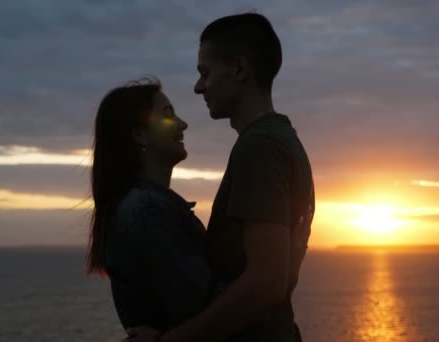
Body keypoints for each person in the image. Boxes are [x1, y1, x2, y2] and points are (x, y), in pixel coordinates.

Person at [128, 12, 315, 342]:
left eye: (205, 73)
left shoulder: (260, 148)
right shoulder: (279, 139)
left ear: (240, 70)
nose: (198, 87)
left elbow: (265, 283)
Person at [85, 79, 213, 332]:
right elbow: (201, 302)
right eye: (168, 115)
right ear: (139, 134)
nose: (183, 124)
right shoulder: (147, 210)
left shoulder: (145, 207)